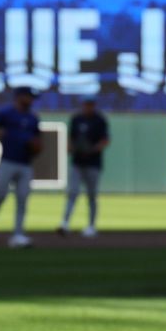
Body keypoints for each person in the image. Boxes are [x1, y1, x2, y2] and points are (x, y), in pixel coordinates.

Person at [0, 87, 43, 248]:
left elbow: (38, 142)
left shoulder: (33, 118)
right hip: (7, 161)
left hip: (26, 164)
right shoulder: (6, 113)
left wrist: (35, 146)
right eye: (29, 97)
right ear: (19, 97)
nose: (31, 100)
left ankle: (18, 234)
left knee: (22, 199)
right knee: (0, 196)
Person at [58, 97, 110, 238]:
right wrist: (71, 148)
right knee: (72, 193)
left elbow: (105, 140)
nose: (88, 107)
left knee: (92, 196)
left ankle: (91, 226)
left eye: (91, 104)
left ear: (94, 105)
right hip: (77, 162)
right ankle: (65, 223)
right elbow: (71, 139)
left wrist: (92, 149)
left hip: (93, 163)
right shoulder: (76, 119)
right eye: (86, 104)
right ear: (83, 105)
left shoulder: (99, 120)